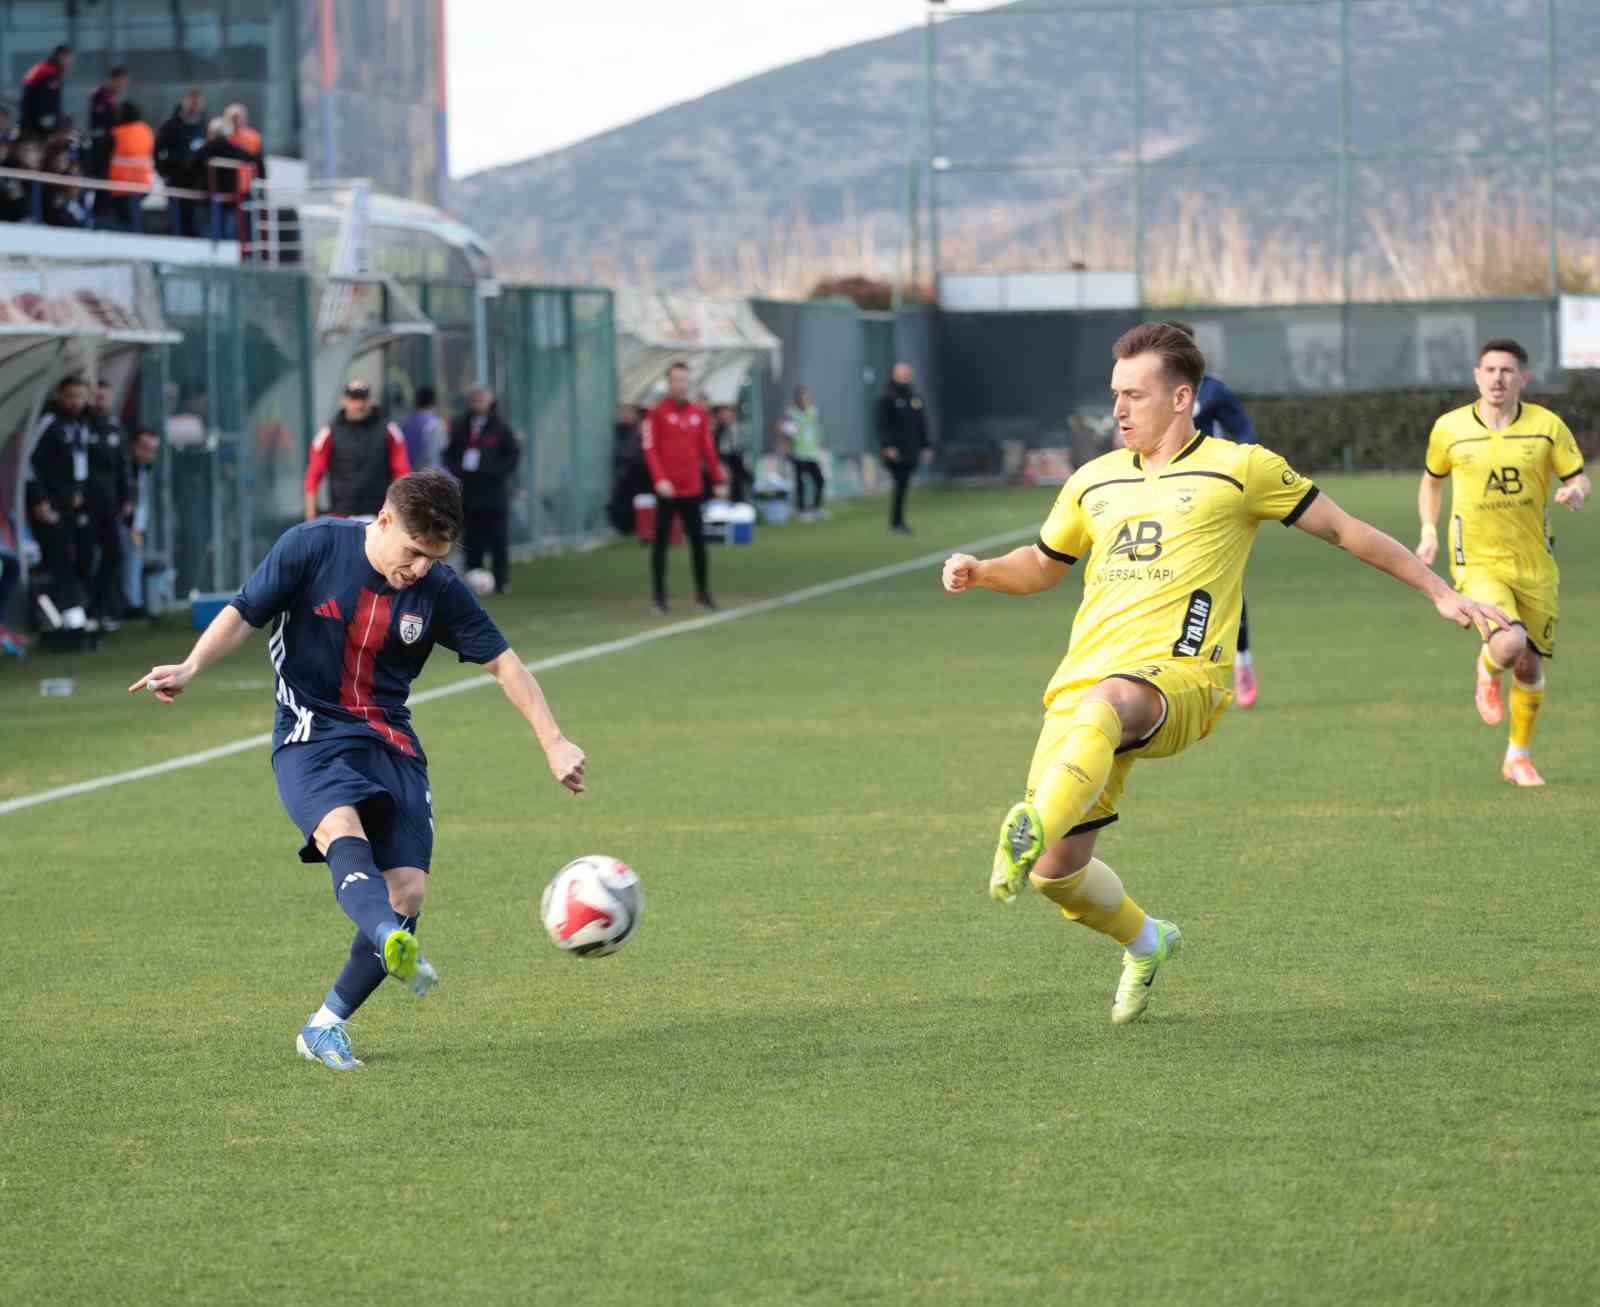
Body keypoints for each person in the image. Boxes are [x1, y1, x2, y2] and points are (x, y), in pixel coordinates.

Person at [942, 323, 1508, 1025]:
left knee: (1110, 703)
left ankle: (1026, 825)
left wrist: (1441, 591)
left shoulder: (1244, 468)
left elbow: (1344, 529)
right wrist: (984, 571)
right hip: (1084, 678)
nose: (1118, 409)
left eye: (1134, 395)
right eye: (1114, 394)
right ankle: (1148, 941)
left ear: (1182, 398)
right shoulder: (1094, 480)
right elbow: (1042, 565)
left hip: (1182, 677)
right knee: (1060, 872)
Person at [129, 469, 587, 1071]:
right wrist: (191, 667)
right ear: (386, 519)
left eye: (434, 557)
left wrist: (552, 741)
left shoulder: (439, 590)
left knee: (410, 890)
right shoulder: (311, 546)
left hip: (389, 738)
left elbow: (504, 664)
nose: (420, 567)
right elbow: (243, 613)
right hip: (309, 732)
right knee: (340, 829)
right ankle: (389, 940)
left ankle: (324, 1026)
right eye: (415, 552)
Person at [1415, 338, 1589, 787]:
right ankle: (1487, 669)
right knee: (1509, 646)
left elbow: (1578, 476)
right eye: (1489, 370)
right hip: (1476, 562)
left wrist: (1576, 492)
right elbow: (1432, 482)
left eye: (1506, 371)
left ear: (1522, 379)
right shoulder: (1450, 428)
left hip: (1533, 563)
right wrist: (1429, 531)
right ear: (1476, 376)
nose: (1497, 378)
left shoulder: (1547, 427)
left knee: (1530, 666)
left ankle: (1517, 756)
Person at [1165, 321, 1263, 707]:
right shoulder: (1150, 392)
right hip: (1161, 502)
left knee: (1223, 582)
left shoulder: (1214, 390)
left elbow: (1246, 435)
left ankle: (1241, 662)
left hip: (1208, 503)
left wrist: (1235, 474)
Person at [641, 361, 725, 613]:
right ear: (668, 382)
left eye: (684, 380)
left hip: (692, 488)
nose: (680, 385)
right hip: (667, 490)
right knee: (660, 543)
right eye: (676, 380)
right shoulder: (655, 413)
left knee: (698, 541)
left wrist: (718, 478)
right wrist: (660, 479)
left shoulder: (698, 414)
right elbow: (650, 449)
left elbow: (707, 449)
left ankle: (702, 594)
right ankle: (659, 597)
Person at [26, 376, 96, 629]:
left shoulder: (83, 423)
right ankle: (62, 615)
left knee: (82, 554)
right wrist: (40, 499)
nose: (76, 401)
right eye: (70, 396)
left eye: (80, 396)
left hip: (72, 501)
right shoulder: (49, 422)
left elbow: (79, 463)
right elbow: (28, 462)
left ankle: (79, 609)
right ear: (59, 396)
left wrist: (78, 490)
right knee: (58, 557)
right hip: (50, 503)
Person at [443, 386, 520, 595]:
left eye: (481, 399)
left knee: (498, 539)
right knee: (472, 539)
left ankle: (501, 580)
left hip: (493, 493)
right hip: (468, 493)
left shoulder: (501, 427)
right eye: (474, 399)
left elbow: (512, 454)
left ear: (489, 401)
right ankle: (473, 579)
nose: (477, 403)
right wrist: (459, 471)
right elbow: (449, 453)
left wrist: (494, 472)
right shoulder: (460, 425)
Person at [304, 380, 411, 521]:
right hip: (341, 517)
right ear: (344, 401)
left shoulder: (390, 430)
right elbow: (314, 475)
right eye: (353, 399)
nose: (359, 404)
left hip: (380, 517)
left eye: (363, 399)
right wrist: (310, 516)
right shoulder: (329, 432)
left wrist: (405, 515)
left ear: (371, 401)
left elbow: (403, 473)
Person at [875, 362, 932, 534]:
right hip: (896, 450)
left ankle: (898, 521)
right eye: (902, 372)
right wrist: (887, 445)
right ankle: (896, 523)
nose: (906, 375)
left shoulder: (914, 397)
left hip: (911, 449)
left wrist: (926, 445)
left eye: (908, 372)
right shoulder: (887, 397)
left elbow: (921, 423)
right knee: (900, 484)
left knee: (904, 485)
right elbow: (882, 424)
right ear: (893, 374)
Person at [120, 427, 161, 616]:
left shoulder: (145, 469)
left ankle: (133, 601)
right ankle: (130, 603)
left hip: (136, 523)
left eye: (153, 449)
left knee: (133, 556)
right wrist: (132, 526)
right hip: (124, 522)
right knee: (130, 557)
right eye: (145, 448)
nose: (149, 453)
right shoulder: (126, 467)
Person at [155, 89, 207, 236]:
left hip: (196, 182)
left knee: (194, 220)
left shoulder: (204, 125)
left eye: (197, 103)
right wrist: (161, 172)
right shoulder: (170, 124)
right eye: (192, 102)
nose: (194, 106)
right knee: (176, 217)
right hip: (175, 179)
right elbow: (157, 150)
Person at [781, 386, 827, 522]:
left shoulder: (813, 411)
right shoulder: (791, 413)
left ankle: (816, 508)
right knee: (800, 482)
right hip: (798, 453)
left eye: (807, 397)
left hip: (811, 452)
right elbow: (786, 431)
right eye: (802, 397)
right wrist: (787, 445)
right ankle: (801, 510)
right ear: (798, 399)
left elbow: (817, 429)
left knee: (819, 480)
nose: (805, 400)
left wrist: (819, 445)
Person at [107, 102, 154, 232]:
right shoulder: (146, 131)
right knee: (134, 218)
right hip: (143, 184)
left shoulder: (117, 134)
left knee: (125, 223)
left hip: (122, 186)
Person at [86, 65, 130, 196]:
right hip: (101, 149)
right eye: (122, 82)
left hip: (110, 148)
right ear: (113, 80)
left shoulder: (111, 98)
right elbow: (99, 126)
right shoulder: (99, 96)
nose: (123, 86)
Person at [20, 45, 72, 138]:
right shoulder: (49, 72)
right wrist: (51, 125)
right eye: (68, 59)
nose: (70, 63)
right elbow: (47, 101)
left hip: (29, 122)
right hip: (38, 125)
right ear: (60, 56)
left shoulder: (43, 68)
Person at [712, 405, 751, 505]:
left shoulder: (735, 429)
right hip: (723, 464)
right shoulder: (716, 430)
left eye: (728, 412)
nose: (726, 415)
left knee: (736, 493)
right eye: (723, 412)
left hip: (734, 465)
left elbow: (738, 452)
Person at [400, 385, 445, 472]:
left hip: (408, 473)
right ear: (434, 402)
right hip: (428, 475)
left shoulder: (405, 423)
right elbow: (434, 454)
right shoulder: (434, 423)